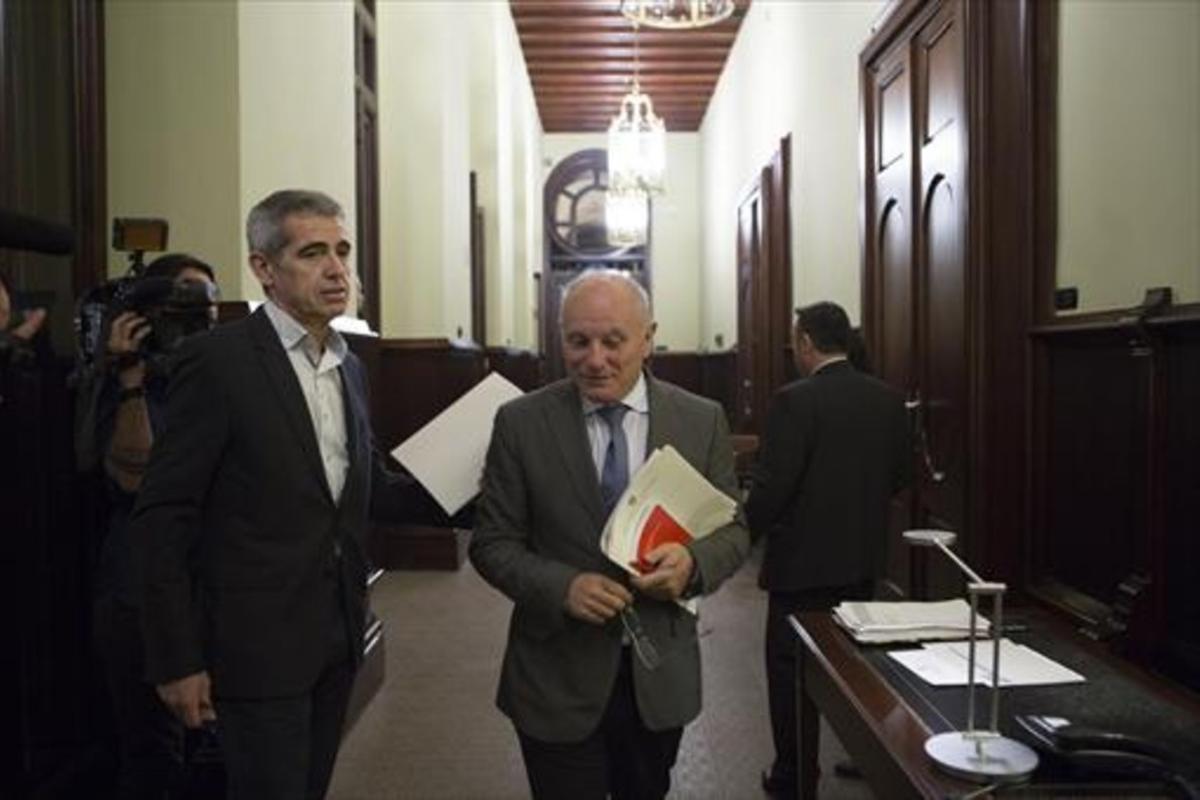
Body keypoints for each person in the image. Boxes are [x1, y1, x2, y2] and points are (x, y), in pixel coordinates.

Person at [129, 189, 449, 800]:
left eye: (343, 251)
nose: (337, 271)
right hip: (254, 644)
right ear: (263, 268)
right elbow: (165, 517)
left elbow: (365, 487)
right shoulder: (217, 363)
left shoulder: (348, 363)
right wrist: (176, 658)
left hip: (335, 633)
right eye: (313, 253)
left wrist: (471, 494)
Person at [470, 269, 751, 800]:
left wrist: (693, 565)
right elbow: (492, 543)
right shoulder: (520, 423)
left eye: (613, 341)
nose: (594, 359)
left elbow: (733, 529)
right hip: (554, 673)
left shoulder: (701, 420)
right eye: (578, 342)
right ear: (561, 340)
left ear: (649, 338)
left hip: (658, 675)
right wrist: (561, 586)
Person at [746, 301, 910, 799]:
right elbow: (901, 478)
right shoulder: (888, 399)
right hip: (862, 559)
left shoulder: (794, 401)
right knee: (857, 667)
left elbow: (774, 487)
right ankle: (868, 757)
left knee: (789, 668)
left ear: (805, 343)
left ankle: (795, 775)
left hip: (801, 566)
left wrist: (741, 533)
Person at [92, 253, 220, 798]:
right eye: (181, 302)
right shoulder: (122, 380)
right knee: (152, 752)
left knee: (216, 747)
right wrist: (129, 378)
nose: (197, 317)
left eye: (206, 304)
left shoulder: (223, 376)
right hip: (138, 584)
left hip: (209, 582)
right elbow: (134, 480)